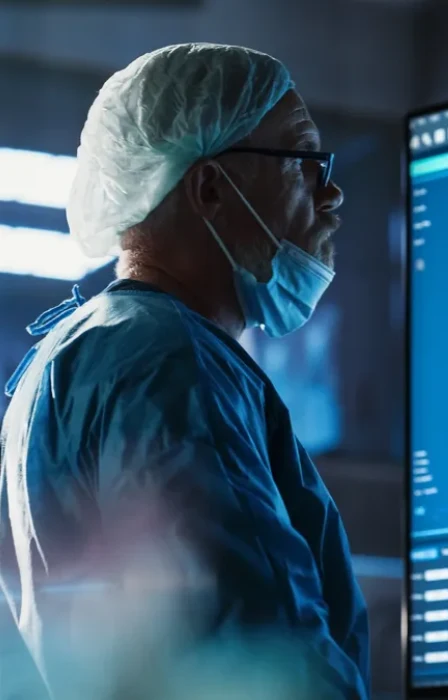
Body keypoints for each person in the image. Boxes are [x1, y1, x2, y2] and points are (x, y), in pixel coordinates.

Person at [0, 44, 369, 700]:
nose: (332, 193)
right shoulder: (168, 361)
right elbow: (263, 654)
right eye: (305, 162)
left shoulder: (73, 356)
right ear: (210, 189)